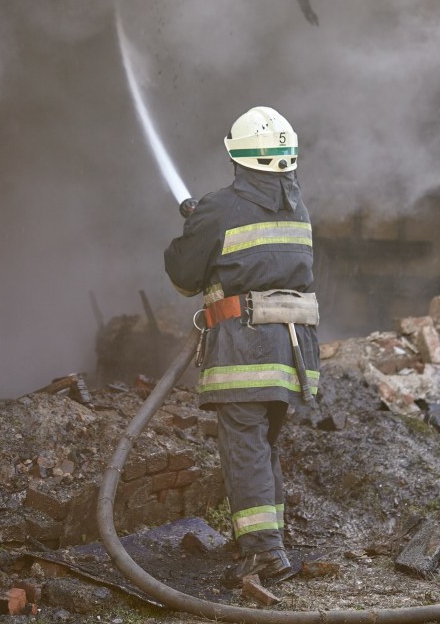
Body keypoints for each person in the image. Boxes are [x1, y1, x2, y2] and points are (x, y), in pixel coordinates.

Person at [164, 106, 320, 588]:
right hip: (293, 351)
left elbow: (185, 276)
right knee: (263, 444)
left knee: (246, 448)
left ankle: (263, 553)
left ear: (238, 157)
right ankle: (267, 543)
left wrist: (196, 225)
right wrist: (204, 223)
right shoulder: (298, 206)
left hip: (245, 349)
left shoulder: (219, 207)